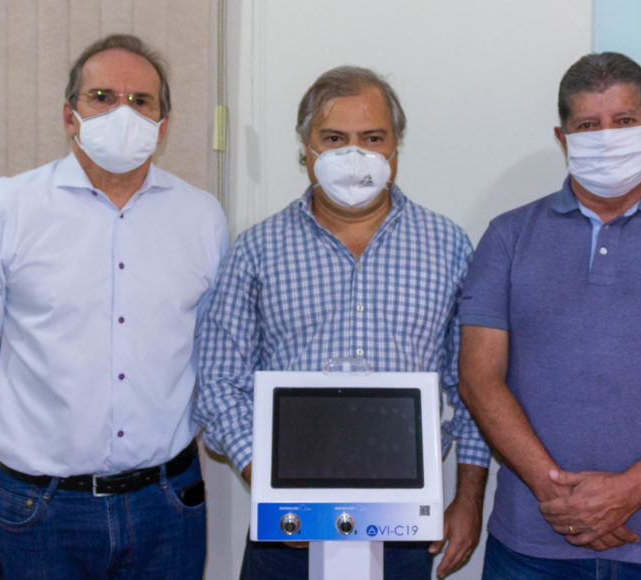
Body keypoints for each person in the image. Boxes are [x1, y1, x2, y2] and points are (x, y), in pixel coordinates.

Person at [457, 51, 641, 579]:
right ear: (562, 138)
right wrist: (564, 499)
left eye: (623, 121)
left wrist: (626, 493)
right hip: (531, 547)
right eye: (588, 126)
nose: (607, 138)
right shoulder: (507, 238)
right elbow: (478, 379)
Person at [0, 34, 227, 578]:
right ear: (69, 116)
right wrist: (40, 421)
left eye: (141, 101)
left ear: (162, 125)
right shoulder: (6, 208)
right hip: (42, 507)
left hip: (167, 504)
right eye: (102, 97)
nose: (123, 112)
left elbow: (208, 347)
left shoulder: (201, 218)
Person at [193, 65, 491, 579]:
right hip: (285, 534)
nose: (354, 155)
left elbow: (473, 386)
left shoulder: (448, 247)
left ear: (395, 146)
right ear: (306, 147)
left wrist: (467, 500)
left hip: (403, 528)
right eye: (334, 138)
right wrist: (268, 483)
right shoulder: (257, 250)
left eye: (372, 138)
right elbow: (219, 381)